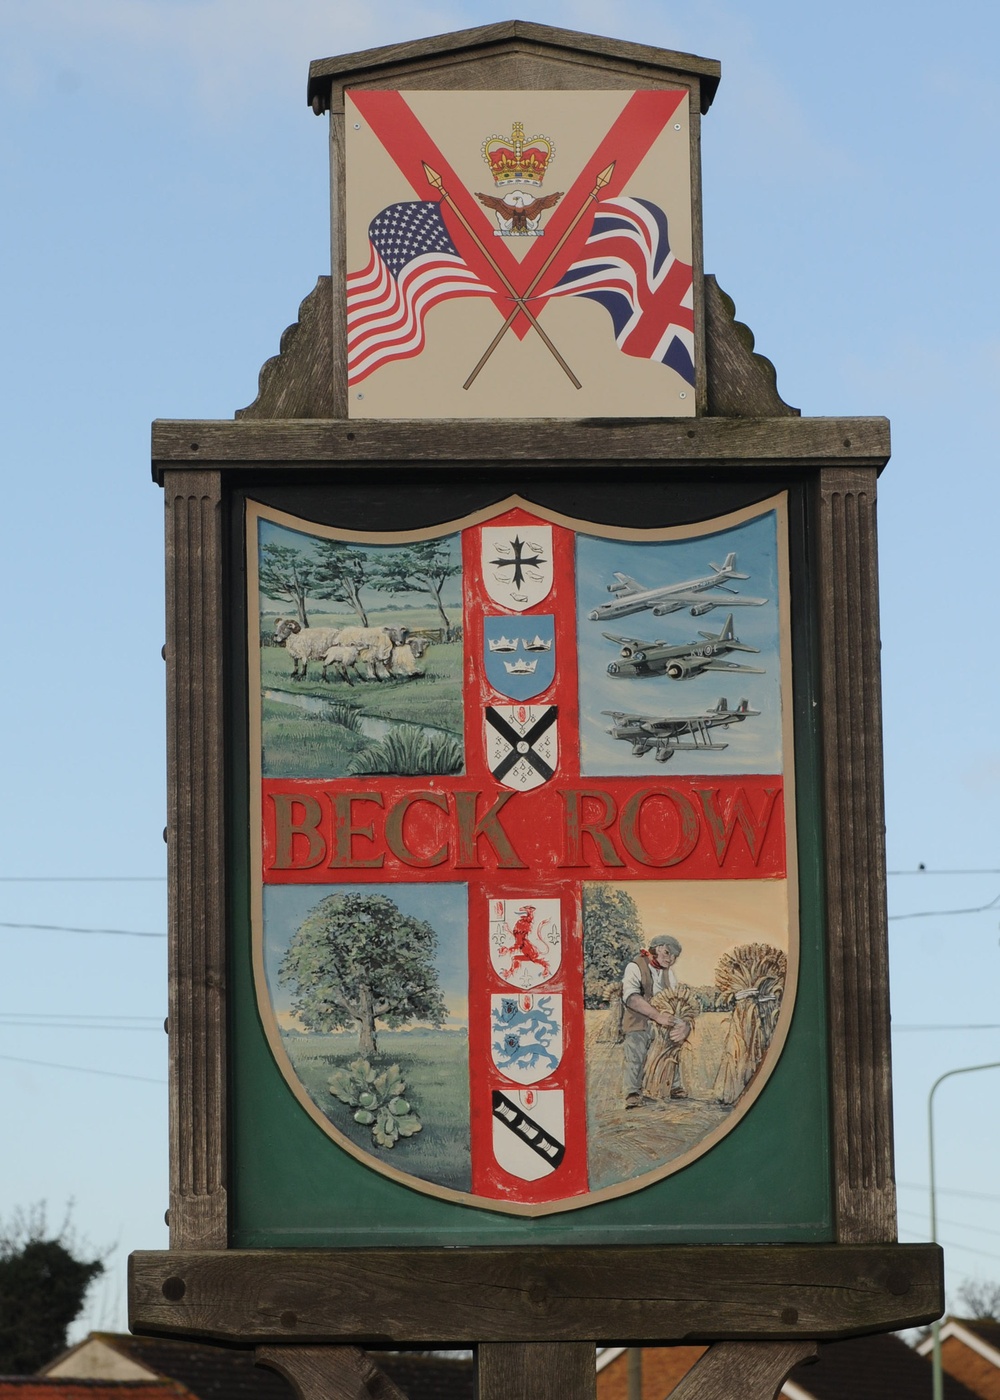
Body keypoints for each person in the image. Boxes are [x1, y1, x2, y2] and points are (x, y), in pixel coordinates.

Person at [621, 933, 692, 1109]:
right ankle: (633, 1093)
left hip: (663, 1023)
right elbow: (631, 998)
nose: (671, 959)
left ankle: (671, 1085)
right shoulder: (635, 966)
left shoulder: (670, 974)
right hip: (638, 1021)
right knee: (636, 1053)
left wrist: (683, 1024)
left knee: (671, 1046)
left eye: (675, 956)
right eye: (668, 953)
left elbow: (676, 1000)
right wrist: (657, 1016)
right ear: (657, 949)